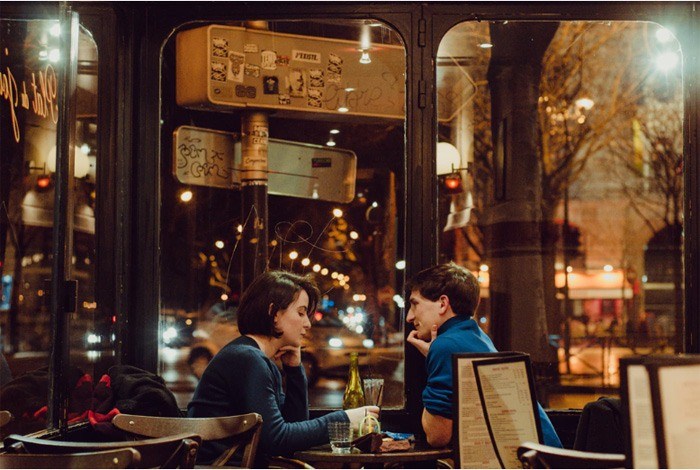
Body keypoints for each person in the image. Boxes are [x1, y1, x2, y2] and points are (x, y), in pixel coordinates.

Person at [188, 270, 378, 466]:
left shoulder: (253, 357)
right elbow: (277, 440)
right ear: (274, 313)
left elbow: (292, 430)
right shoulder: (247, 359)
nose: (308, 324)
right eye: (301, 313)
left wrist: (294, 370)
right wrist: (345, 419)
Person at [405, 262, 562, 448]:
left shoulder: (445, 345)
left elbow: (437, 436)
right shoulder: (475, 336)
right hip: (545, 455)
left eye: (415, 305)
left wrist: (435, 357)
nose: (409, 317)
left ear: (442, 303)